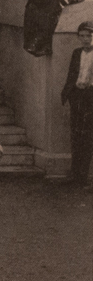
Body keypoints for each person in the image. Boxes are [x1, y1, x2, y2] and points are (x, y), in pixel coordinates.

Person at [60, 21, 93, 188]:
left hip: (91, 97)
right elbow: (72, 75)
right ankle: (76, 175)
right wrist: (68, 95)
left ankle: (86, 177)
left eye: (89, 36)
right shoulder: (77, 53)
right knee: (76, 134)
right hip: (77, 96)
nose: (85, 39)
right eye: (82, 36)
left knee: (88, 136)